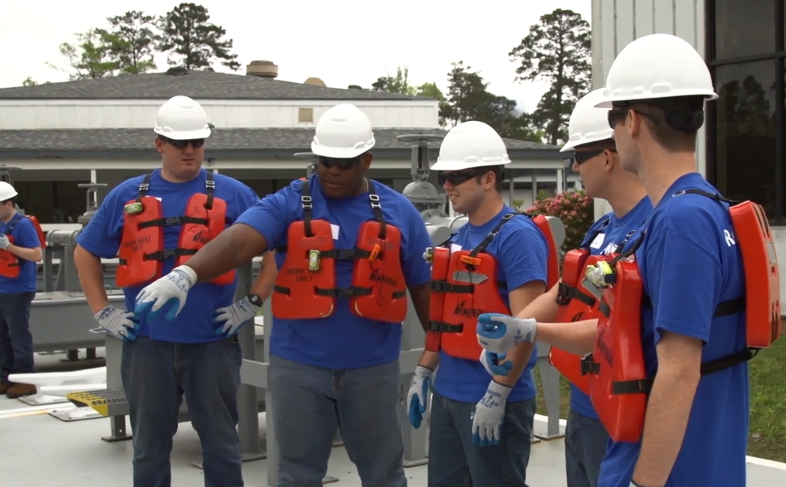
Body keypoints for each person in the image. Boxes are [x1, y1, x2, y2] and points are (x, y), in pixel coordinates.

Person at [479, 33, 757, 487]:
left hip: (668, 471)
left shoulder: (680, 220)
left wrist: (641, 481)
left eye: (610, 118)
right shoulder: (705, 208)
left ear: (631, 122)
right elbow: (631, 328)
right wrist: (528, 329)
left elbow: (679, 371)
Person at [132, 103, 434, 487]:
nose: (333, 171)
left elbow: (423, 287)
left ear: (367, 160)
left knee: (385, 475)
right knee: (295, 476)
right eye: (325, 162)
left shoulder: (399, 212)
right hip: (299, 371)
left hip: (372, 371)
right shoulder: (289, 202)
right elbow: (240, 240)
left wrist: (432, 358)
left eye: (345, 163)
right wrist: (186, 274)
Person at [74, 95, 278, 487]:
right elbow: (85, 252)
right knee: (149, 447)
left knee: (221, 444)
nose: (190, 151)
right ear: (159, 144)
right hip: (147, 345)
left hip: (213, 342)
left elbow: (275, 251)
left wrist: (251, 303)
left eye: (197, 142)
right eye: (180, 143)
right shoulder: (126, 196)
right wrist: (103, 311)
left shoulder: (235, 194)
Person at [499, 90, 652, 487]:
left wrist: (531, 332)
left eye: (579, 157)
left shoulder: (654, 227)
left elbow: (621, 328)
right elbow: (563, 292)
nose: (573, 168)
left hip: (622, 412)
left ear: (607, 156)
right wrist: (509, 327)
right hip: (585, 406)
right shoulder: (603, 229)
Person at [405, 120, 551, 487]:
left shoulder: (517, 237)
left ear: (488, 179)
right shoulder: (458, 236)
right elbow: (448, 318)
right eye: (444, 178)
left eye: (456, 177)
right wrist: (423, 372)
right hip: (450, 393)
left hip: (494, 399)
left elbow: (526, 326)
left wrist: (498, 392)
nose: (447, 186)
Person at [0, 181, 44, 399]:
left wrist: (8, 247)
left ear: (8, 203)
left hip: (17, 290)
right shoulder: (3, 225)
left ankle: (26, 379)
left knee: (18, 335)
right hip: (1, 287)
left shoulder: (23, 225)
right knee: (0, 336)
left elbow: (36, 254)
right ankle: (7, 378)